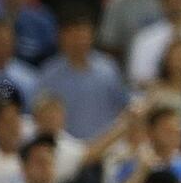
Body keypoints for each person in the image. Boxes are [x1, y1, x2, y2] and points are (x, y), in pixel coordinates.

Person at [37, 11, 130, 139]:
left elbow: (124, 106)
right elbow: (40, 114)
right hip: (66, 149)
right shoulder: (48, 74)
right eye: (72, 35)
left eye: (82, 34)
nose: (78, 41)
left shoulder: (108, 69)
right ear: (61, 37)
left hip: (106, 148)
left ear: (91, 36)